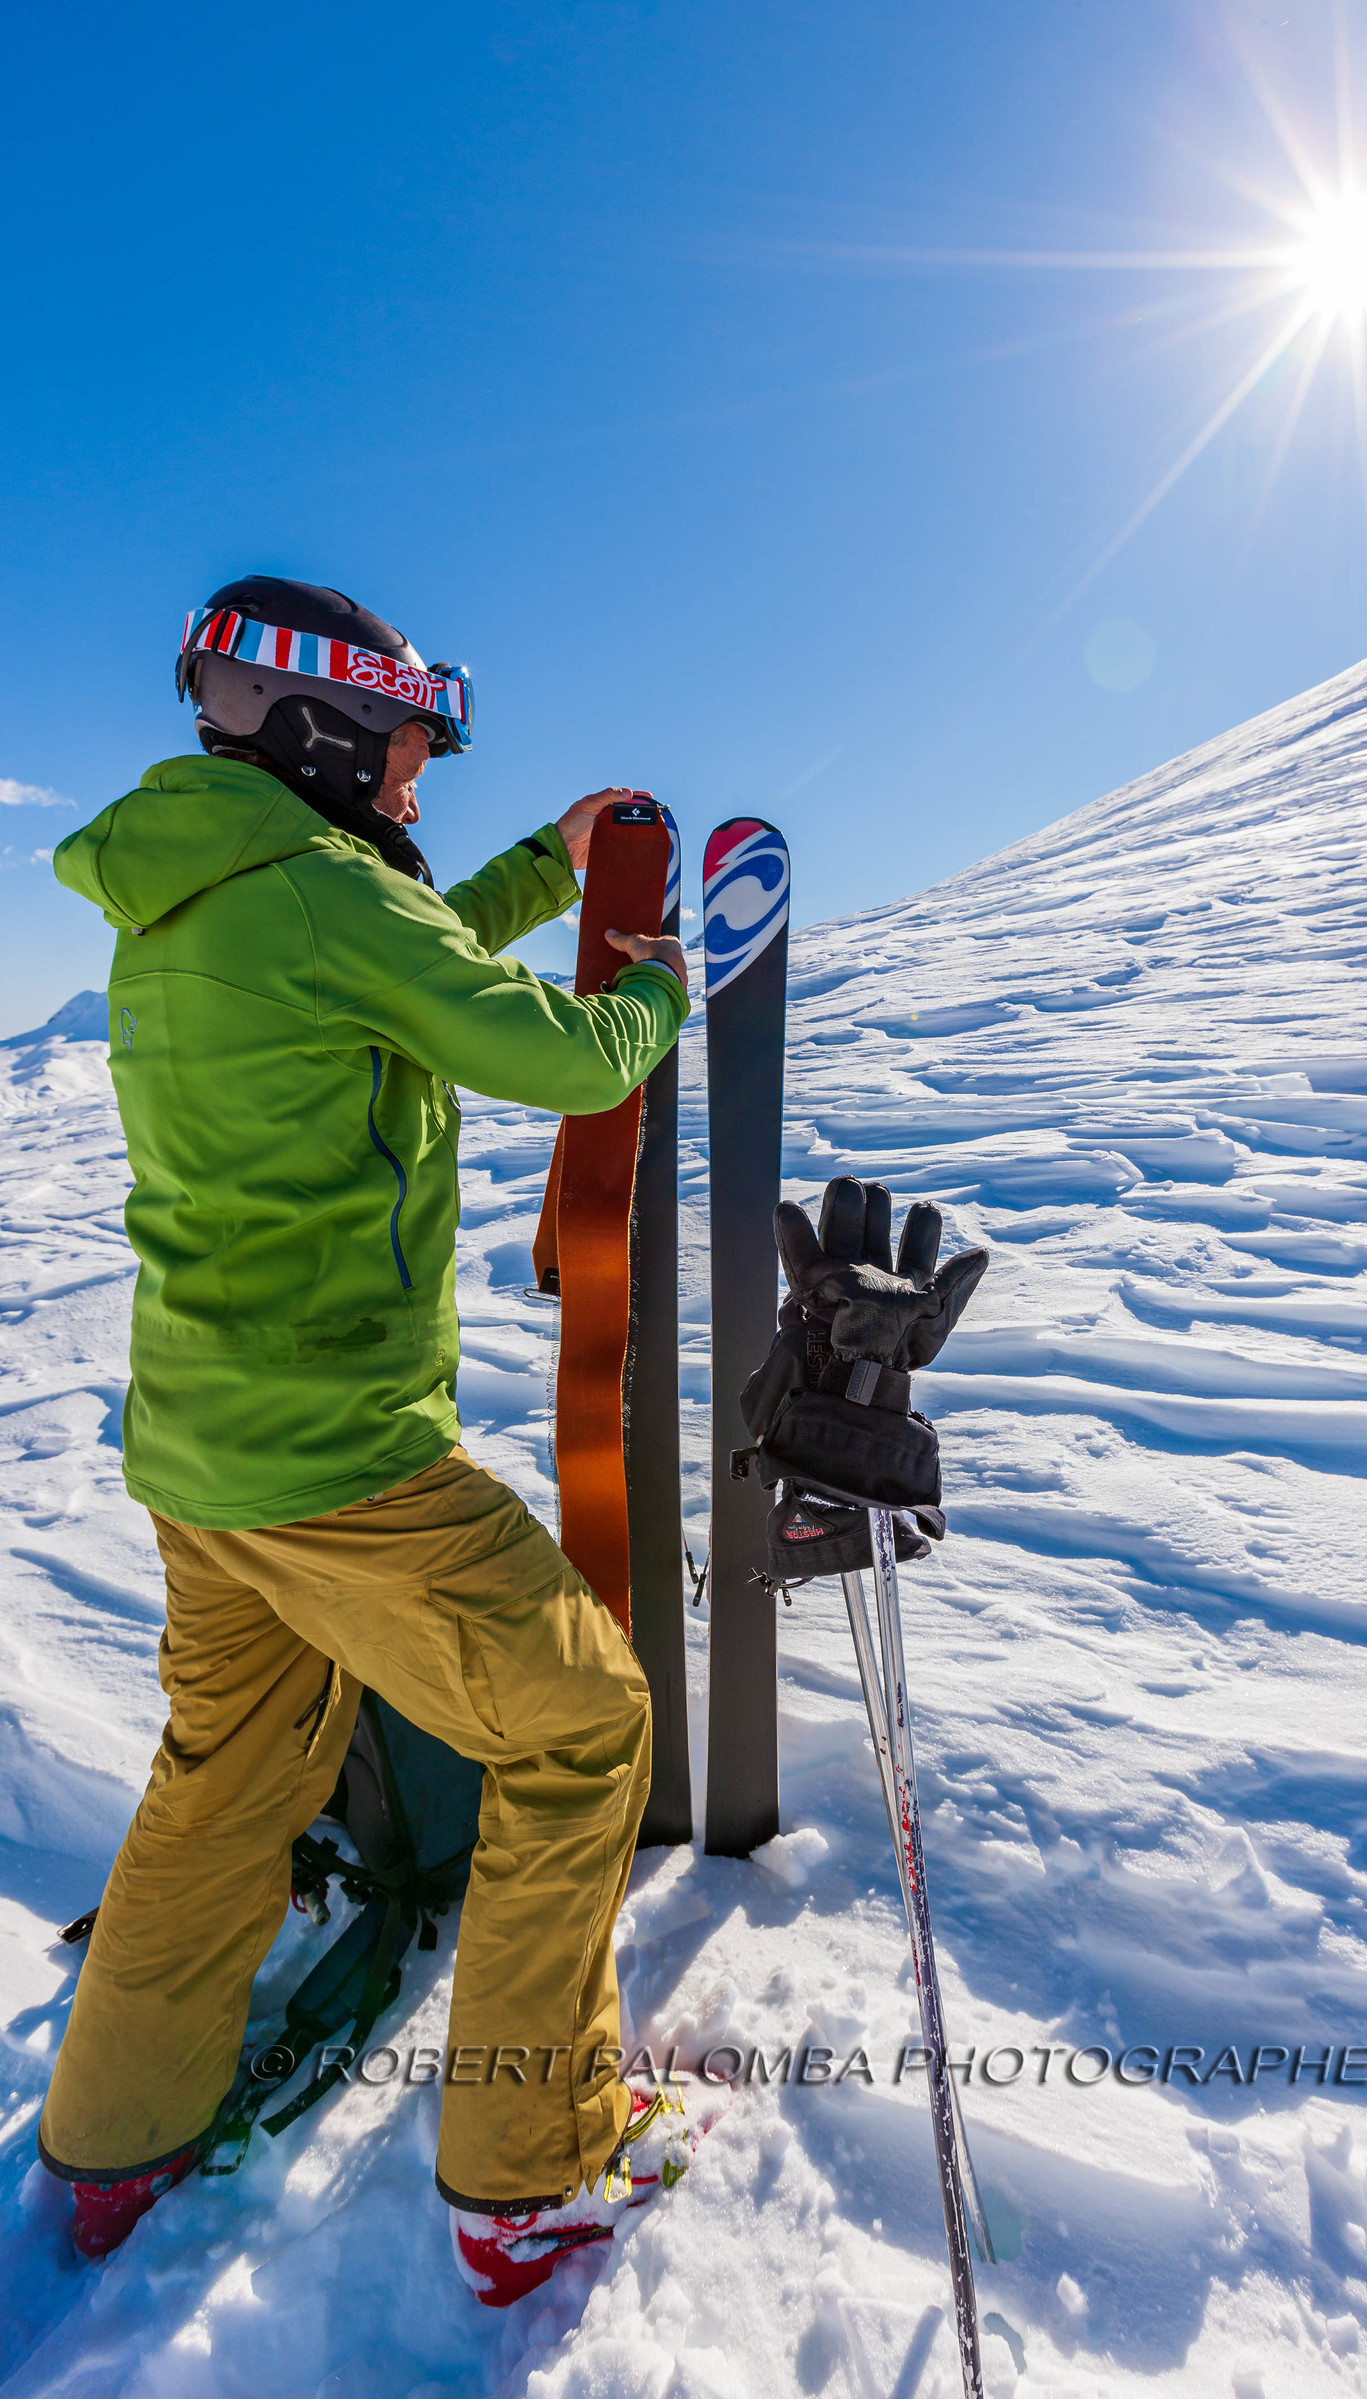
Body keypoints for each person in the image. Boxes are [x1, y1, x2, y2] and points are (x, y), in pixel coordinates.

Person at [39, 577, 689, 2303]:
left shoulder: (196, 887)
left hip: (198, 1445)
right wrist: (656, 993)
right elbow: (544, 1054)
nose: (421, 777)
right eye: (409, 742)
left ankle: (111, 2147)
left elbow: (400, 946)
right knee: (581, 1727)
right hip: (340, 1461)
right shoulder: (319, 893)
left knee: (226, 1778)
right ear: (321, 726)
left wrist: (545, 870)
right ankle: (527, 2172)